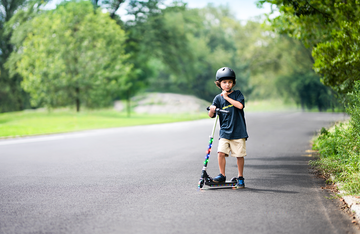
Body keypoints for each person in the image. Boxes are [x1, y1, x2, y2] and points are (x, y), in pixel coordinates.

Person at [208, 67, 248, 189]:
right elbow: (211, 115)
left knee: (239, 155)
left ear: (233, 83)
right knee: (220, 153)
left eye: (230, 82)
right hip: (225, 131)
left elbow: (240, 106)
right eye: (224, 82)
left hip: (238, 131)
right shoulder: (217, 98)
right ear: (219, 83)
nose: (227, 84)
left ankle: (240, 177)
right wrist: (212, 109)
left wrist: (226, 97)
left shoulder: (237, 94)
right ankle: (222, 175)